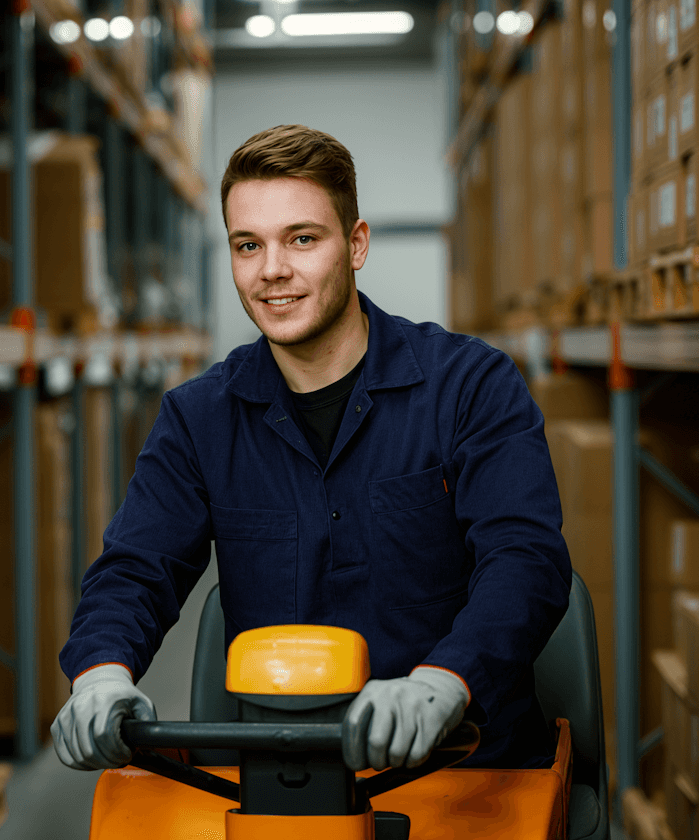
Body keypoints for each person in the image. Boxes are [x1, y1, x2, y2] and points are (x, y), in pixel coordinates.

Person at [51, 124, 572, 774]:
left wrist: (445, 682)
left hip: (464, 766)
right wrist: (100, 674)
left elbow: (526, 559)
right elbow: (135, 569)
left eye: (302, 238)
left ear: (355, 245)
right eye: (248, 245)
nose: (272, 270)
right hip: (284, 776)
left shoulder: (470, 386)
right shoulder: (199, 418)